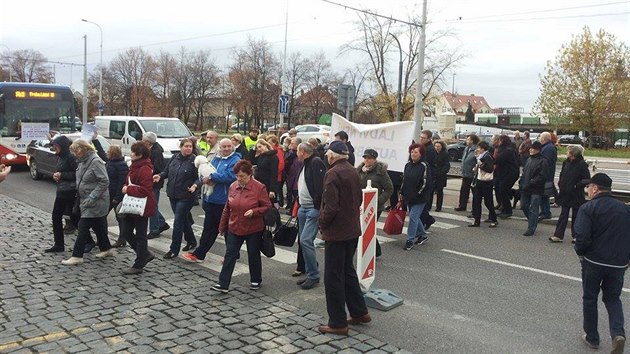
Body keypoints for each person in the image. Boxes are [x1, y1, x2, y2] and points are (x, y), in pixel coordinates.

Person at [318, 140, 370, 336]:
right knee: (347, 271)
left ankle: (338, 322)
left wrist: (322, 223)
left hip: (337, 232)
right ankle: (359, 311)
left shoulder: (333, 173)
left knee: (333, 277)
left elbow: (330, 207)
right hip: (351, 230)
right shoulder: (351, 170)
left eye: (327, 155)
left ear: (331, 156)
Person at [574, 173, 630, 354]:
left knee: (590, 298)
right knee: (613, 298)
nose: (587, 190)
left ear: (595, 188)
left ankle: (592, 337)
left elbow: (581, 237)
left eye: (588, 187)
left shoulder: (588, 208)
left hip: (594, 261)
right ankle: (617, 334)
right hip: (618, 263)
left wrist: (581, 254)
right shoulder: (625, 209)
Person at [212, 160, 272, 293]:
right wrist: (222, 226)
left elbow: (267, 206)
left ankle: (256, 279)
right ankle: (223, 283)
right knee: (230, 255)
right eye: (237, 176)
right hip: (235, 226)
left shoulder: (259, 187)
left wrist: (254, 212)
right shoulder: (233, 186)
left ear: (250, 175)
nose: (240, 179)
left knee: (253, 254)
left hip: (253, 228)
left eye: (242, 176)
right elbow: (227, 207)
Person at [182, 138, 239, 263]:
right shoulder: (216, 158)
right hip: (212, 198)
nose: (226, 149)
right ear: (220, 147)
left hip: (225, 200)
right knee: (209, 229)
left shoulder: (236, 160)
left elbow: (231, 175)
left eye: (229, 146)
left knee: (227, 230)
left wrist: (213, 177)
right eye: (224, 146)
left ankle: (232, 254)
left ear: (232, 147)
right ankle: (199, 254)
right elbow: (205, 171)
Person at [61, 140, 113, 265]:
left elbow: (104, 181)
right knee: (98, 226)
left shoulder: (96, 162)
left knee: (82, 226)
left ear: (82, 149)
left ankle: (77, 255)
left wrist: (92, 196)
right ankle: (106, 248)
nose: (74, 154)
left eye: (75, 151)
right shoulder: (82, 162)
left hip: (96, 201)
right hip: (85, 199)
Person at [46, 135, 94, 253]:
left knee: (75, 218)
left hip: (71, 192)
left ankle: (89, 241)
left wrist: (62, 175)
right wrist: (56, 175)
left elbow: (77, 174)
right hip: (62, 191)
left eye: (56, 146)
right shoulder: (61, 157)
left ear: (62, 146)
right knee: (56, 217)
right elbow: (61, 171)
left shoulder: (71, 157)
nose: (54, 148)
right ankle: (59, 244)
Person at [154, 138, 200, 259]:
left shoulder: (195, 160)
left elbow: (199, 177)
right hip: (173, 194)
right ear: (181, 147)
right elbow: (167, 171)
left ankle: (174, 249)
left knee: (178, 221)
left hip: (186, 196)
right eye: (186, 146)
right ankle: (192, 241)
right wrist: (160, 176)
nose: (188, 148)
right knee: (183, 219)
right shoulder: (174, 158)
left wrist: (195, 185)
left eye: (190, 146)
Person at [120, 141, 157, 274]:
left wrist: (128, 189)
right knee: (126, 231)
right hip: (132, 204)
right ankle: (145, 254)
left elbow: (146, 190)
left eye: (133, 151)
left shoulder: (145, 168)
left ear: (139, 154)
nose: (131, 153)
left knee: (141, 235)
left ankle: (139, 263)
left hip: (142, 206)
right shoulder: (135, 165)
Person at [295, 142, 326, 290]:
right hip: (303, 207)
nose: (296, 153)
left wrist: (317, 207)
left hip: (312, 208)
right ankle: (310, 272)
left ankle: (313, 275)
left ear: (302, 151)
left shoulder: (315, 162)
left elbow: (320, 186)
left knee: (306, 240)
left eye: (297, 151)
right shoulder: (306, 163)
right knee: (303, 242)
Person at [549, 145, 590, 243]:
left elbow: (587, 179)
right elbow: (562, 173)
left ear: (573, 153)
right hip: (565, 192)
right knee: (563, 214)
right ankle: (558, 235)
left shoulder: (581, 164)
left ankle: (576, 235)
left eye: (568, 151)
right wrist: (560, 183)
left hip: (576, 194)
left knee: (576, 215)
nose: (566, 153)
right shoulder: (566, 162)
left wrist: (577, 185)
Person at [357, 148, 393, 257]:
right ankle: (373, 250)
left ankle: (375, 251)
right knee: (362, 228)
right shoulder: (359, 170)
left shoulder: (380, 172)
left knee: (368, 228)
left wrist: (377, 201)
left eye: (370, 158)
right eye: (365, 158)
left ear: (374, 159)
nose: (367, 160)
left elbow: (389, 189)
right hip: (361, 205)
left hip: (375, 206)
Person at [400, 143, 431, 250]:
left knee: (413, 217)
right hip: (408, 197)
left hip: (420, 198)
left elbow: (425, 183)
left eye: (416, 152)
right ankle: (423, 235)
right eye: (412, 152)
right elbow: (404, 180)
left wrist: (417, 194)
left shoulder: (424, 166)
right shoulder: (407, 165)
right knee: (415, 217)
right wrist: (401, 192)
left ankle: (410, 240)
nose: (413, 154)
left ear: (421, 154)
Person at [518, 141, 549, 236]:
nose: (531, 150)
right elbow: (524, 172)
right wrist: (521, 181)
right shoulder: (529, 159)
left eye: (533, 148)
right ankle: (532, 219)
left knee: (534, 208)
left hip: (536, 188)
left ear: (538, 150)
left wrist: (532, 182)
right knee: (523, 206)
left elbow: (542, 176)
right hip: (525, 187)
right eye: (530, 148)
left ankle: (531, 227)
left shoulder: (543, 161)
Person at [101, 144, 129, 247]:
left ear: (113, 153)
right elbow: (101, 154)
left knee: (119, 218)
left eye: (109, 151)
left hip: (115, 195)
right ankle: (106, 237)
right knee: (105, 216)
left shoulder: (121, 165)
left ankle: (122, 238)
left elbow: (121, 182)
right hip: (108, 194)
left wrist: (117, 197)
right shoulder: (111, 162)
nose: (107, 153)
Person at [143, 132, 170, 239]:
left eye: (143, 140)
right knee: (151, 205)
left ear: (148, 142)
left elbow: (158, 168)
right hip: (151, 181)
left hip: (154, 182)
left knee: (152, 206)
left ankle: (154, 229)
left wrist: (148, 172)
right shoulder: (151, 150)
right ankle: (162, 223)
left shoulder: (156, 152)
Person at [468, 141, 498, 228]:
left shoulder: (487, 156)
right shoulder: (481, 156)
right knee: (476, 201)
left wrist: (480, 165)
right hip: (479, 181)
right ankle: (476, 221)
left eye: (479, 148)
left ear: (483, 149)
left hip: (486, 182)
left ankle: (494, 219)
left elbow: (489, 169)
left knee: (488, 202)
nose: (477, 149)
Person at [494, 135, 520, 218]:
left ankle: (508, 210)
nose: (498, 142)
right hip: (507, 173)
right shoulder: (508, 149)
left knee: (503, 190)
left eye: (500, 140)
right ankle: (506, 206)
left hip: (510, 173)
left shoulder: (507, 150)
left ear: (502, 141)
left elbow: (498, 160)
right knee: (502, 189)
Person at [455, 134, 479, 212]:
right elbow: (464, 159)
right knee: (464, 190)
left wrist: (474, 170)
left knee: (475, 192)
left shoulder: (476, 150)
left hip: (472, 174)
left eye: (468, 139)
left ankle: (475, 209)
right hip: (465, 173)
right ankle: (462, 205)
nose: (466, 141)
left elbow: (477, 161)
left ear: (472, 141)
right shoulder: (466, 149)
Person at [419, 130, 437, 229]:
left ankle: (426, 221)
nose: (421, 139)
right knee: (422, 205)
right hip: (424, 178)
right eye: (420, 137)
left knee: (422, 204)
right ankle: (428, 220)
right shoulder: (424, 147)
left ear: (429, 139)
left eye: (423, 138)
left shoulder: (429, 149)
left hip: (427, 179)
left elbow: (426, 165)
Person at [253, 139, 280, 203]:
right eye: (257, 148)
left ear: (265, 145)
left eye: (260, 147)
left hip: (268, 184)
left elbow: (274, 173)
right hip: (260, 184)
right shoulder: (261, 156)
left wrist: (272, 189)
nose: (259, 149)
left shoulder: (273, 157)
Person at [539, 132, 557, 221]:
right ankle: (544, 211)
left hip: (546, 175)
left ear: (544, 139)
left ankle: (546, 212)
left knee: (544, 195)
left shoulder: (548, 148)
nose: (539, 139)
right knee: (543, 194)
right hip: (547, 174)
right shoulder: (548, 147)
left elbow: (546, 162)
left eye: (540, 137)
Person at [266, 135, 286, 207]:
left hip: (277, 176)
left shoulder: (278, 151)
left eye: (269, 142)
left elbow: (281, 164)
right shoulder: (270, 151)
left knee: (275, 194)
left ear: (274, 143)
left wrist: (274, 172)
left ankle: (277, 206)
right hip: (273, 176)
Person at [433, 140, 450, 212]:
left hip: (440, 175)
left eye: (438, 146)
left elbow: (447, 165)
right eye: (436, 146)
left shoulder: (445, 154)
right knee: (431, 191)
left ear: (441, 147)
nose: (437, 148)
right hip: (433, 175)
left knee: (440, 191)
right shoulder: (433, 153)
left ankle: (438, 207)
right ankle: (428, 205)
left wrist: (441, 172)